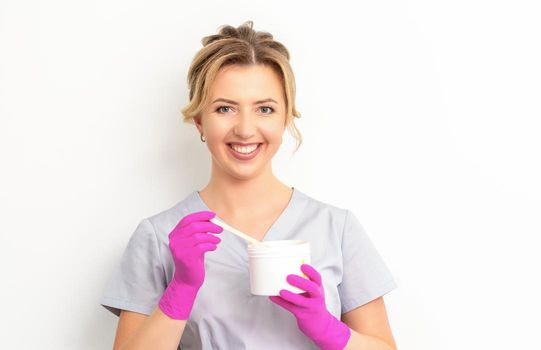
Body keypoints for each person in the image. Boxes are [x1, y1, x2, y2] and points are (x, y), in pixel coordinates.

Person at [100, 21, 398, 350]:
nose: (245, 129)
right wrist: (181, 289)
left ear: (285, 119)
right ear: (200, 120)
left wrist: (329, 329)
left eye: (265, 109)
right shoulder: (159, 237)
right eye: (224, 108)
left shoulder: (336, 229)